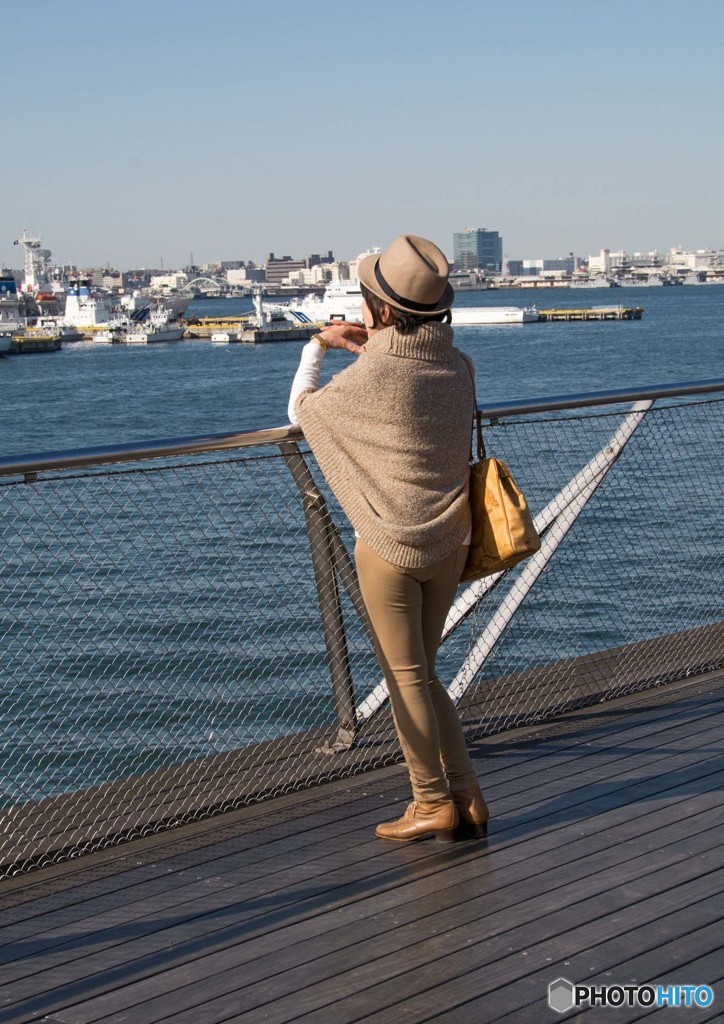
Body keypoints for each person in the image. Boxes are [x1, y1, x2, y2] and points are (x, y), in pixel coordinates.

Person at [287, 234, 488, 843]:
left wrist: (318, 345)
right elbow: (407, 379)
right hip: (449, 541)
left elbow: (305, 410)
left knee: (406, 678)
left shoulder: (373, 372)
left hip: (391, 548)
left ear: (378, 310)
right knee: (425, 674)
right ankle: (467, 796)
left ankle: (431, 802)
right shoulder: (458, 365)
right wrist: (374, 344)